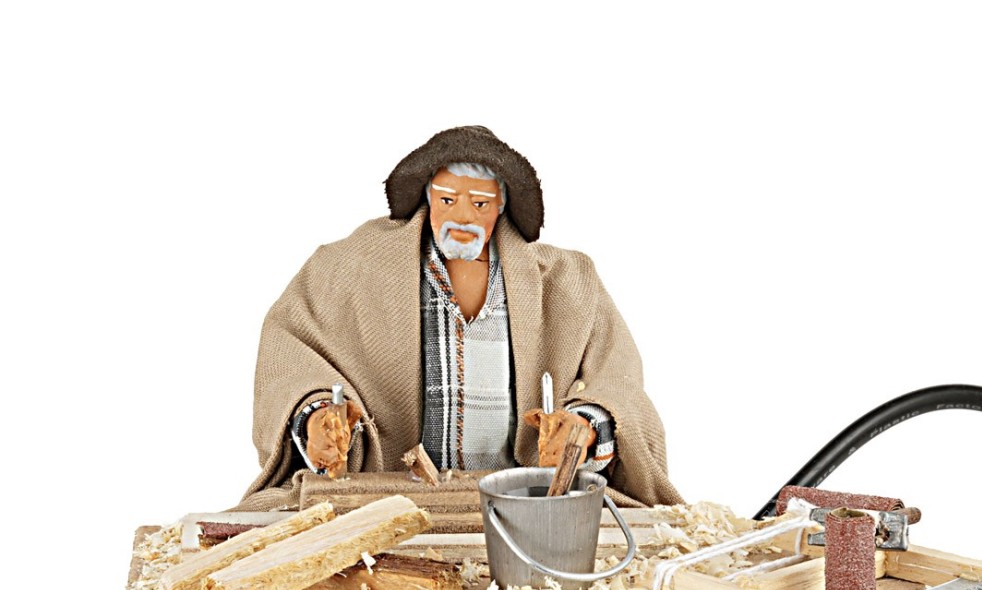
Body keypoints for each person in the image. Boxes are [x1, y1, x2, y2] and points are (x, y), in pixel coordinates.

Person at [243, 126, 683, 508]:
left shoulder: (567, 282)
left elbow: (618, 381)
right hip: (383, 501)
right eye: (448, 200)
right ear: (427, 196)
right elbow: (289, 353)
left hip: (524, 503)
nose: (462, 218)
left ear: (502, 206)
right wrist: (317, 416)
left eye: (480, 205)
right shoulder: (349, 268)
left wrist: (583, 426)